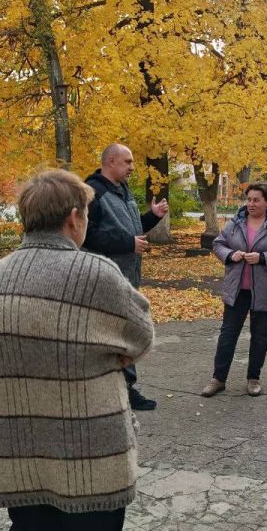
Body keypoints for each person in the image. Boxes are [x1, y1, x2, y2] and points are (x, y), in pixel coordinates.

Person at [0, 169, 155, 531]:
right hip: (91, 453)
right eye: (87, 214)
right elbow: (142, 337)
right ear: (74, 217)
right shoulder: (97, 273)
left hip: (21, 446)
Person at [84, 143, 167, 411]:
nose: (132, 167)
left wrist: (152, 217)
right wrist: (127, 243)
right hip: (106, 279)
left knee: (124, 333)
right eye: (127, 162)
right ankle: (116, 390)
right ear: (110, 161)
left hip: (128, 277)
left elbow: (131, 228)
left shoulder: (123, 190)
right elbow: (86, 234)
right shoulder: (92, 192)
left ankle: (123, 388)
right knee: (112, 334)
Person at [202, 182, 267, 397]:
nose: (251, 204)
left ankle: (254, 378)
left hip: (264, 291)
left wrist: (262, 258)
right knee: (227, 335)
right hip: (237, 290)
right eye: (249, 199)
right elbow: (218, 244)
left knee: (260, 336)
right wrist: (230, 254)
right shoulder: (235, 223)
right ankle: (218, 379)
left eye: (256, 200)